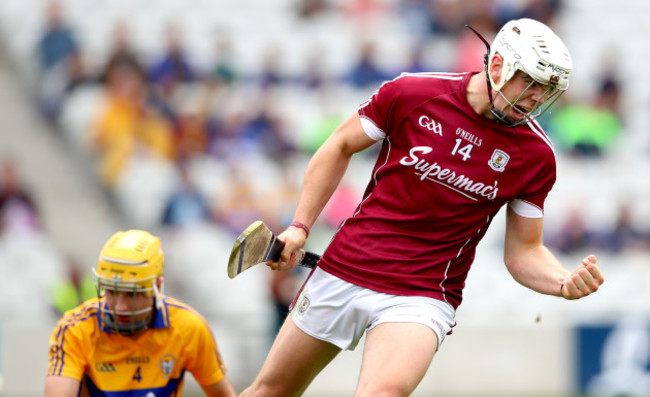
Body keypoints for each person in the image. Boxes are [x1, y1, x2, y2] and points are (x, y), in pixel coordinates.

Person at [239, 18, 605, 397]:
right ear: (498, 65)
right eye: (531, 82)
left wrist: (561, 282)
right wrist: (300, 226)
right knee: (269, 391)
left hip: (423, 291)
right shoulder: (412, 94)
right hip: (346, 265)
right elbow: (339, 146)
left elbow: (524, 252)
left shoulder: (535, 155)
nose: (536, 99)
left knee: (382, 393)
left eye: (547, 90)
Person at [45, 229, 236, 396]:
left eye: (131, 294)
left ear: (157, 286)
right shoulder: (75, 330)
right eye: (111, 291)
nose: (119, 306)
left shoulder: (189, 328)